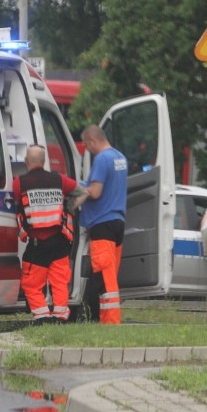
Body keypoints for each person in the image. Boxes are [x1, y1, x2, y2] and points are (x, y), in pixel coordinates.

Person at [14, 145, 83, 324]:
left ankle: (42, 316)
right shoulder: (59, 180)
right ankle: (60, 318)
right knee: (59, 283)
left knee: (30, 284)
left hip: (38, 244)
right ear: (44, 162)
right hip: (59, 241)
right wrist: (70, 207)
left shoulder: (19, 183)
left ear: (26, 162)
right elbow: (83, 192)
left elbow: (8, 203)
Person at [73, 125, 128, 324]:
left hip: (102, 224)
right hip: (117, 223)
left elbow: (95, 191)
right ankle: (96, 317)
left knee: (103, 276)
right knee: (107, 273)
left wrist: (78, 193)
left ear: (93, 141)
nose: (87, 149)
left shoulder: (102, 159)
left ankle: (106, 320)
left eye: (86, 145)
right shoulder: (120, 157)